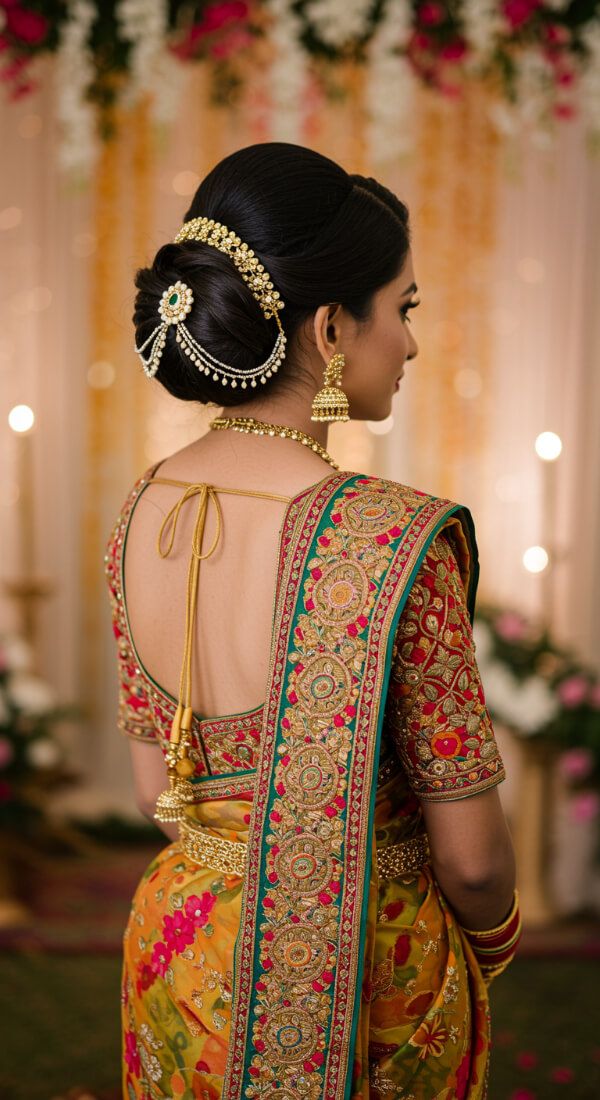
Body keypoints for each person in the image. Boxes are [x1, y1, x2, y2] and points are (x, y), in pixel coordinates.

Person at [104, 142, 519, 1100]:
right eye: (403, 308)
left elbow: (149, 793)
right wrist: (490, 947)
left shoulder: (142, 507)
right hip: (367, 964)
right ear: (332, 327)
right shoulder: (396, 539)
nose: (411, 344)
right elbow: (473, 862)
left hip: (184, 954)